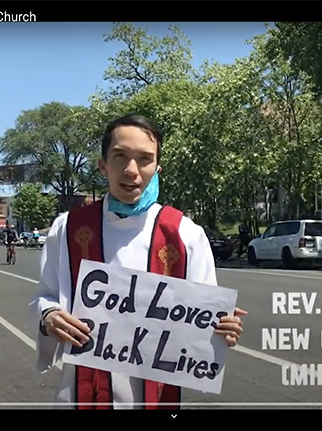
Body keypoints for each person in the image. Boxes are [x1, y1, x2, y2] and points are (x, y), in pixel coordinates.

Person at [30, 113, 247, 410]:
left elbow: (202, 325)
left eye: (144, 159)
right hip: (81, 395)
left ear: (157, 168)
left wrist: (221, 328)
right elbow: (46, 296)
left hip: (156, 399)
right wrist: (49, 317)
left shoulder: (184, 235)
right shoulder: (68, 229)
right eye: (120, 157)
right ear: (103, 165)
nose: (132, 171)